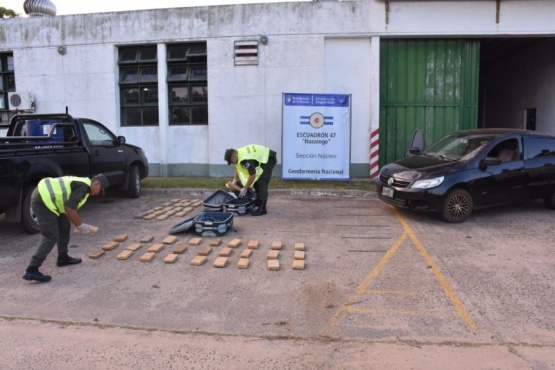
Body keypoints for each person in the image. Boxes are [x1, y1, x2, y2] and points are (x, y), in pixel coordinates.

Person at [22, 174, 109, 283]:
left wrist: (77, 223)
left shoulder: (83, 185)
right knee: (50, 236)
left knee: (64, 226)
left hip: (52, 201)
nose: (98, 193)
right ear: (96, 184)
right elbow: (70, 209)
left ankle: (62, 258)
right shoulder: (83, 186)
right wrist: (81, 225)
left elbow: (68, 208)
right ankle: (32, 269)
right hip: (43, 200)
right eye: (100, 190)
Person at [224, 144, 277, 216]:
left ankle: (262, 208)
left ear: (234, 156)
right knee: (256, 181)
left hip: (268, 158)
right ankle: (258, 201)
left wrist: (245, 188)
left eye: (231, 161)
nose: (232, 163)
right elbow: (237, 167)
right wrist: (235, 180)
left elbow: (252, 175)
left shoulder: (245, 159)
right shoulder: (238, 154)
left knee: (262, 182)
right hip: (262, 157)